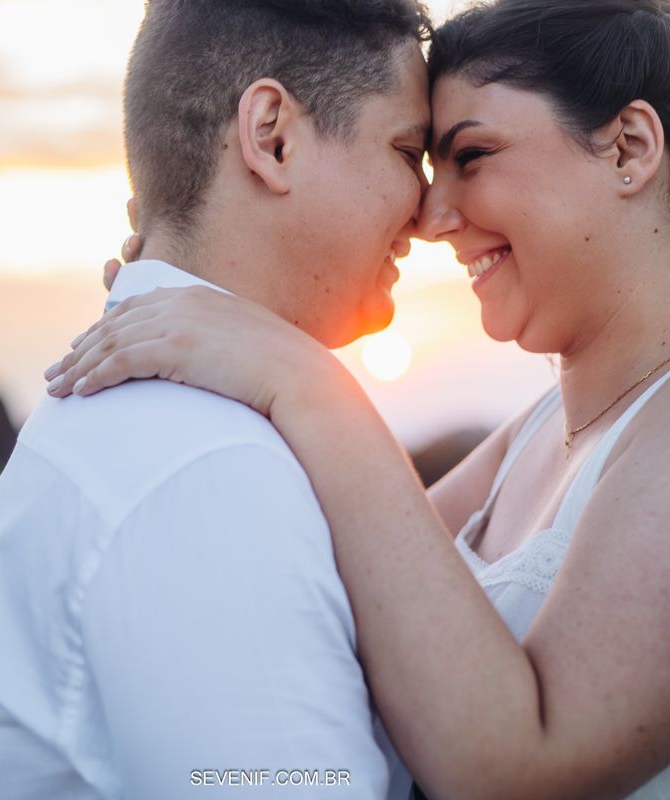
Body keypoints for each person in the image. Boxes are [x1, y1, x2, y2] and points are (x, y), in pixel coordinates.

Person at [47, 0, 670, 796]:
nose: (433, 215)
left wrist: (301, 373)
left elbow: (522, 770)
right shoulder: (540, 432)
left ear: (629, 147)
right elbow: (335, 576)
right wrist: (193, 292)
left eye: (470, 155)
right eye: (420, 160)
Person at [0, 1, 433, 798]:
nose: (427, 210)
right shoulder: (208, 471)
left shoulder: (154, 424)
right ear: (272, 136)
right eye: (407, 150)